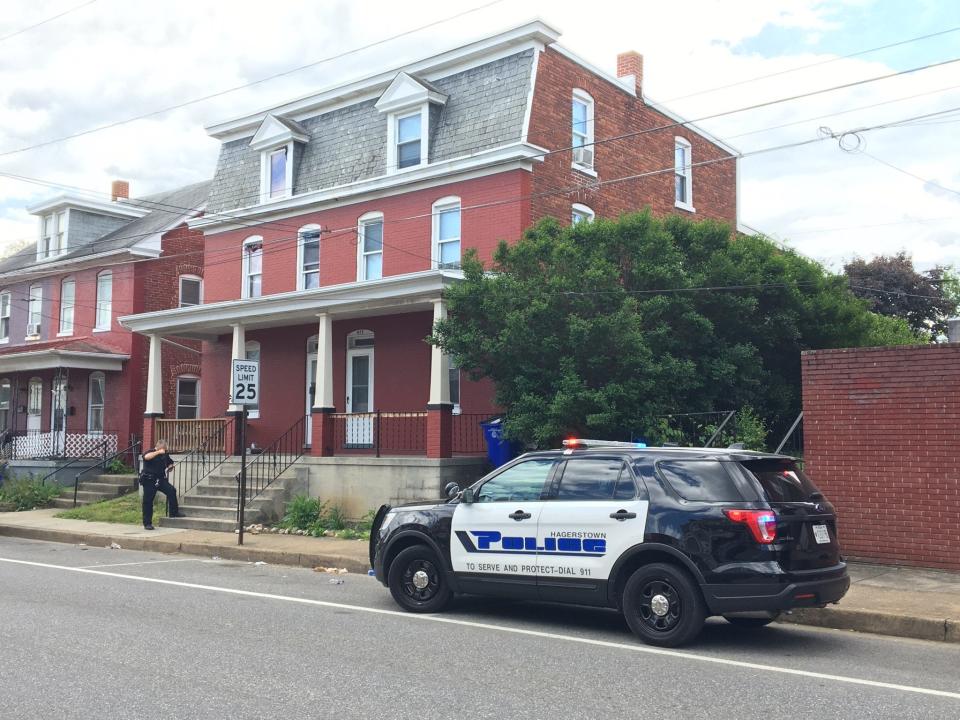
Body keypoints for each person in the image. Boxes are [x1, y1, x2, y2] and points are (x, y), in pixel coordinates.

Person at [140, 440, 184, 530]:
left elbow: (170, 462)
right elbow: (146, 457)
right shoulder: (150, 452)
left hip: (160, 479)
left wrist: (170, 466)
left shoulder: (165, 455)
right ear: (160, 447)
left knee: (171, 490)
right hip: (149, 479)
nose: (165, 450)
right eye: (164, 448)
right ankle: (147, 523)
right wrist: (157, 452)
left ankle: (173, 512)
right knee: (148, 501)